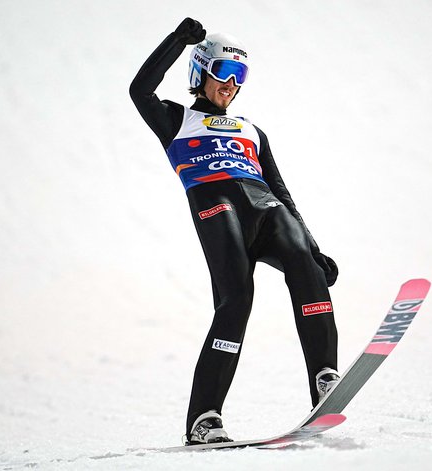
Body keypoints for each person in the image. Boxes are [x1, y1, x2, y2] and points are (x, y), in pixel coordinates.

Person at [129, 18, 340, 445]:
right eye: (222, 72)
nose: (230, 84)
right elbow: (139, 91)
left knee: (305, 266)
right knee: (236, 301)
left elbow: (282, 190)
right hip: (216, 205)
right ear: (201, 73)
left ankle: (324, 377)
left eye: (238, 76)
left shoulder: (252, 131)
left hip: (266, 205)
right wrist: (177, 41)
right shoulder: (176, 119)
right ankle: (204, 418)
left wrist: (315, 248)